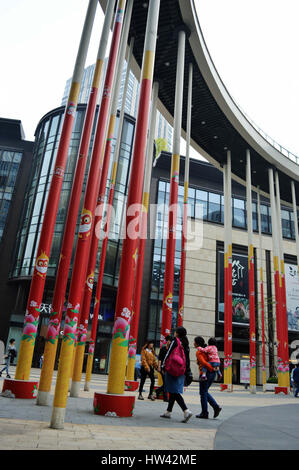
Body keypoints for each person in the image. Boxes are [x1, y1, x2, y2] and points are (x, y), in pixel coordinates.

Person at [160, 327, 192, 423]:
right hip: (181, 369)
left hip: (172, 368)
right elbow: (187, 359)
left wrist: (163, 365)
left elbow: (168, 353)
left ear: (177, 333)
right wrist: (187, 370)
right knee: (173, 389)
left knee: (174, 391)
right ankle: (168, 411)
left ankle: (186, 411)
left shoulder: (176, 341)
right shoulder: (186, 343)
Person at [194, 336, 222, 419]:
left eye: (194, 342)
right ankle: (215, 407)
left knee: (203, 393)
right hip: (212, 373)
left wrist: (211, 368)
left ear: (197, 343)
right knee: (204, 392)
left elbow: (204, 363)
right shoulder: (208, 349)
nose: (193, 343)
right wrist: (215, 370)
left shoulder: (199, 352)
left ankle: (205, 412)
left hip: (205, 374)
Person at [155, 335, 172, 401]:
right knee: (165, 382)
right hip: (162, 367)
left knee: (166, 383)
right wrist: (159, 367)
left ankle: (158, 390)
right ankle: (165, 398)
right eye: (169, 340)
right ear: (166, 341)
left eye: (170, 341)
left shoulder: (171, 349)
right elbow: (160, 359)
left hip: (169, 368)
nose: (169, 342)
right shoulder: (163, 349)